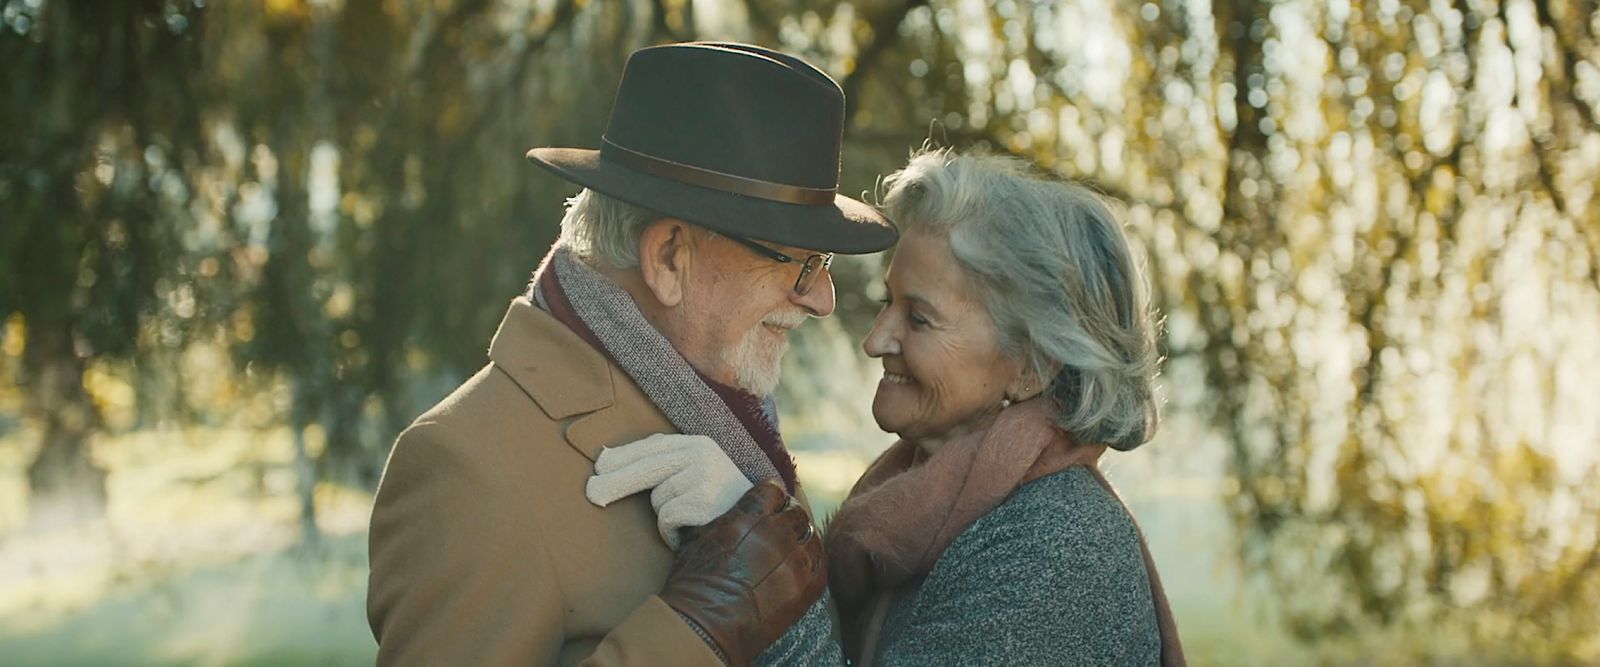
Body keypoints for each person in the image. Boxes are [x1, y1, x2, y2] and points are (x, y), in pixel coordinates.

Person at [365, 42, 897, 667]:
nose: (823, 299)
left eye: (823, 263)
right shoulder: (466, 468)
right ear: (670, 257)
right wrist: (698, 628)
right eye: (799, 260)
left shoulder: (729, 422)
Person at [820, 149, 1187, 666]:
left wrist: (756, 597)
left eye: (919, 318)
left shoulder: (1055, 546)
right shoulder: (923, 502)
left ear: (1033, 366)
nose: (876, 340)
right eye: (887, 303)